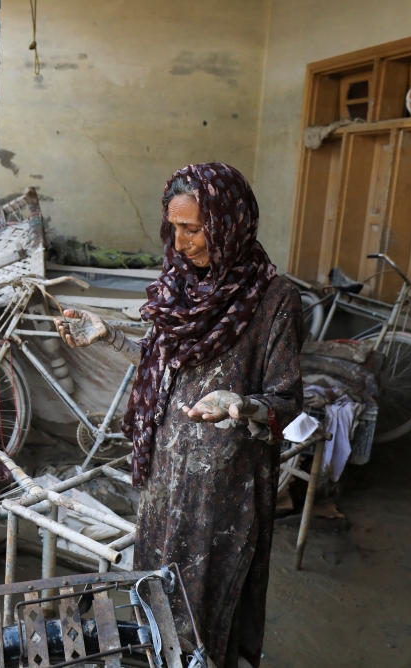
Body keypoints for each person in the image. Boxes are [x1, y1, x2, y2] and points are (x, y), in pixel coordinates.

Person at [55, 163, 302, 668]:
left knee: (205, 604)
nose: (181, 242)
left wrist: (242, 403)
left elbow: (288, 402)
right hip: (165, 472)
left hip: (225, 486)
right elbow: (162, 364)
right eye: (174, 227)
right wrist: (109, 334)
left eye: (193, 228)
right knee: (153, 592)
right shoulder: (180, 285)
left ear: (231, 223)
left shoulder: (275, 300)